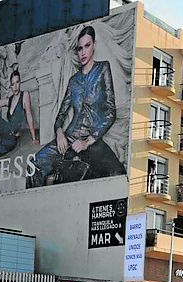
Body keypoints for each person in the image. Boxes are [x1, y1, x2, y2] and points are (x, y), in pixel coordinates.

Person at [29, 26, 124, 188]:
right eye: (79, 48)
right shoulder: (74, 80)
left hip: (92, 139)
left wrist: (87, 142)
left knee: (118, 174)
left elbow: (110, 112)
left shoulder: (103, 68)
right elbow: (61, 115)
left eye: (87, 46)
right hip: (69, 138)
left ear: (94, 44)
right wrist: (59, 133)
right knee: (35, 164)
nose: (83, 52)